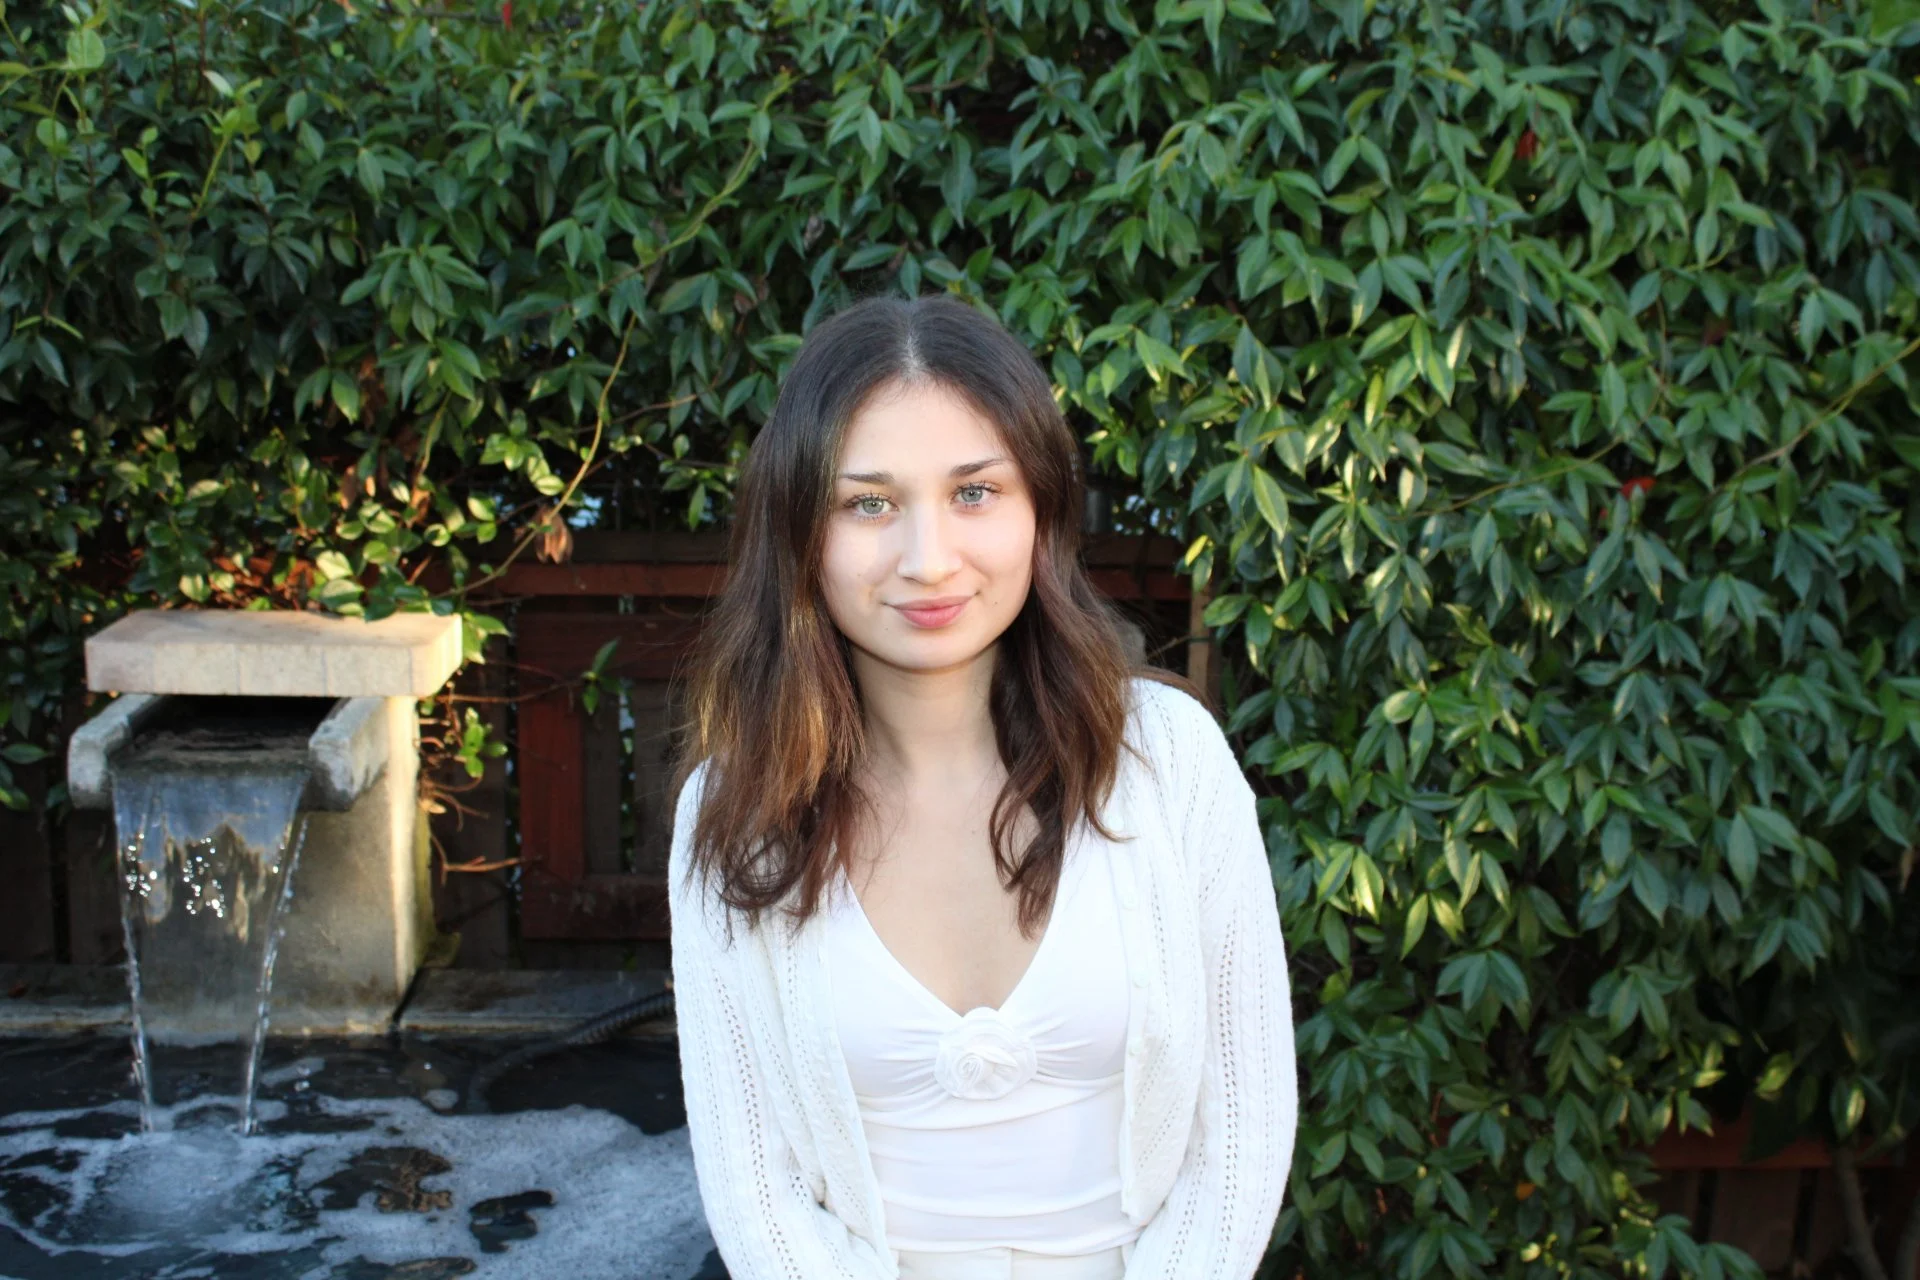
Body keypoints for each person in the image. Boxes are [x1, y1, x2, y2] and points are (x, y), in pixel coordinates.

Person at [667, 293, 1296, 1280]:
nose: (928, 560)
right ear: (801, 531)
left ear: (1040, 503)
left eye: (974, 492)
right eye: (868, 502)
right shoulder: (736, 809)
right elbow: (757, 1189)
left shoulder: (1169, 762)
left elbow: (1244, 1126)